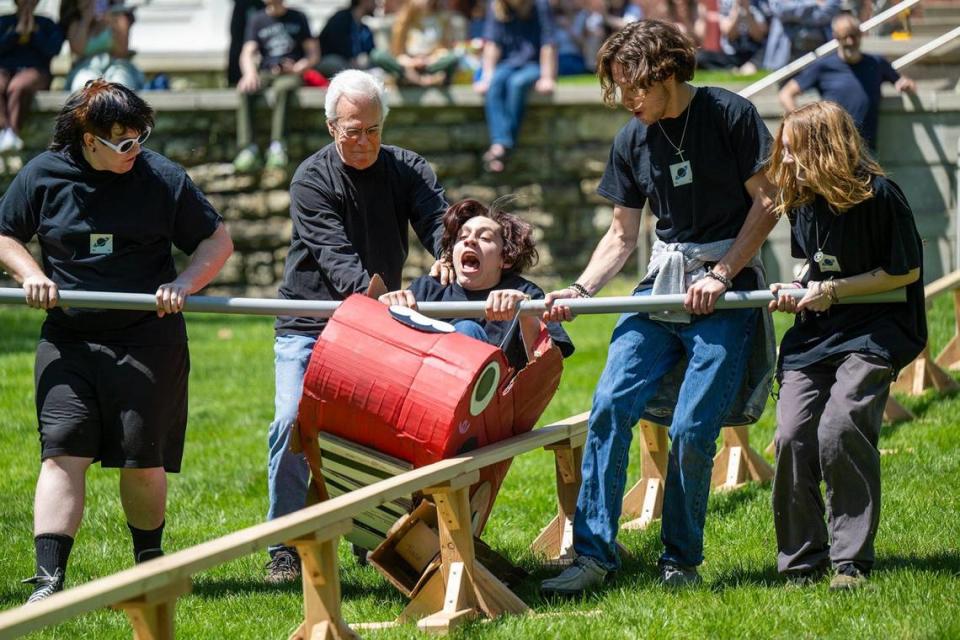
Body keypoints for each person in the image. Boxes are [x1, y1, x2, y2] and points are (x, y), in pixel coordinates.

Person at [538, 19, 778, 596]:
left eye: (633, 87)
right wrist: (581, 289)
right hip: (662, 285)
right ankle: (593, 556)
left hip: (727, 285)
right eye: (617, 87)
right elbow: (622, 236)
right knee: (609, 404)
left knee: (695, 427)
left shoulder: (730, 115)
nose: (624, 100)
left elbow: (769, 202)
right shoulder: (632, 138)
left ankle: (680, 561)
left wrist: (722, 273)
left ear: (666, 72)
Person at [0, 80, 233, 603]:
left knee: (142, 458)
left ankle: (149, 565)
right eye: (122, 142)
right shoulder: (43, 174)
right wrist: (30, 274)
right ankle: (48, 582)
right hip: (69, 339)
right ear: (89, 140)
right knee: (62, 452)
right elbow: (4, 233)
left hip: (147, 339)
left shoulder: (162, 177)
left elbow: (217, 240)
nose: (135, 150)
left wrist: (183, 284)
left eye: (140, 137)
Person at [264, 69, 451, 584]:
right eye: (353, 130)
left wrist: (450, 254)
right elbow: (334, 255)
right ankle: (282, 544)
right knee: (289, 423)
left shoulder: (407, 168)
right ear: (331, 127)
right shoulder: (311, 179)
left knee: (380, 434)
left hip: (376, 323)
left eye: (373, 129)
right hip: (310, 322)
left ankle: (370, 533)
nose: (364, 141)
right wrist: (373, 293)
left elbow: (437, 220)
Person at [766, 101, 925, 591]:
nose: (785, 161)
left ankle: (850, 562)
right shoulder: (802, 200)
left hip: (877, 328)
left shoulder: (882, 197)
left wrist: (832, 291)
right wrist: (799, 286)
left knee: (838, 428)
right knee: (793, 435)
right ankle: (801, 561)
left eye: (793, 150)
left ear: (822, 148)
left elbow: (906, 272)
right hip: (818, 333)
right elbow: (817, 261)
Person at [379, 198, 575, 368]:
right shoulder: (426, 289)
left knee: (466, 331)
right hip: (427, 392)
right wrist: (390, 314)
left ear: (505, 258)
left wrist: (526, 314)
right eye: (462, 237)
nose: (470, 241)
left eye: (484, 237)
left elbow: (545, 371)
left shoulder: (524, 293)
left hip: (493, 403)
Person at [778, 13, 915, 151]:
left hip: (866, 151)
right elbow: (786, 94)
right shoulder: (823, 66)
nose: (850, 41)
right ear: (835, 36)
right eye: (845, 37)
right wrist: (802, 125)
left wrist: (906, 85)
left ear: (861, 35)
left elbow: (904, 82)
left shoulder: (876, 63)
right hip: (832, 150)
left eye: (853, 35)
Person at [233, 0, 319, 173]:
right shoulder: (257, 19)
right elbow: (247, 53)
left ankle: (278, 146)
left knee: (284, 90)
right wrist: (250, 74)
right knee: (245, 90)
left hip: (291, 72)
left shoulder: (298, 17)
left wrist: (299, 67)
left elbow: (313, 53)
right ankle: (248, 148)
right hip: (267, 71)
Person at [473, 0, 557, 173]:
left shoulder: (540, 5)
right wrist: (487, 77)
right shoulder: (496, 6)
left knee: (516, 84)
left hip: (532, 65)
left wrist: (547, 77)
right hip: (507, 64)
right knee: (495, 83)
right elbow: (492, 44)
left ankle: (499, 146)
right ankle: (502, 145)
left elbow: (548, 44)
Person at [0, 0, 64, 153]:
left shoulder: (47, 23)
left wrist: (35, 31)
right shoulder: (4, 22)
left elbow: (53, 49)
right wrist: (15, 33)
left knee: (18, 86)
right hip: (5, 70)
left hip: (36, 72)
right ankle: (2, 129)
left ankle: (12, 132)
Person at [369, 0, 465, 87]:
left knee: (453, 58)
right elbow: (397, 52)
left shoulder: (442, 19)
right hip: (408, 67)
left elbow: (445, 48)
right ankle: (412, 79)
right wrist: (411, 62)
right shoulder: (401, 20)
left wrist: (428, 60)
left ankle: (421, 80)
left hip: (432, 65)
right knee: (378, 55)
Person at [60, 0, 145, 92]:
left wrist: (111, 21)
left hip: (118, 65)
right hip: (85, 66)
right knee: (84, 84)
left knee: (120, 83)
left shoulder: (119, 17)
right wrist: (86, 19)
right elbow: (78, 50)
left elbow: (121, 51)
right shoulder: (76, 23)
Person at [694, 0, 767, 73]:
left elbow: (758, 36)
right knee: (701, 57)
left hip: (754, 52)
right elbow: (730, 34)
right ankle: (732, 69)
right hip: (731, 54)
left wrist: (746, 8)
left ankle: (749, 66)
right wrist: (737, 6)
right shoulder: (725, 2)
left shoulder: (758, 2)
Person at [317, 0, 377, 77]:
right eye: (374, 1)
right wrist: (351, 60)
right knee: (336, 64)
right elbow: (333, 44)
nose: (376, 4)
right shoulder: (341, 18)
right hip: (335, 60)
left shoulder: (364, 28)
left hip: (354, 65)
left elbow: (371, 52)